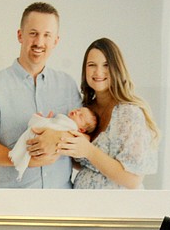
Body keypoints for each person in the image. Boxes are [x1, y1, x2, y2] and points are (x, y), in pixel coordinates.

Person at [0, 2, 81, 188]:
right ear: (20, 35)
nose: (39, 42)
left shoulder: (68, 85)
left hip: (62, 202)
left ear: (56, 41)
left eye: (47, 35)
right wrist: (26, 160)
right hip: (15, 205)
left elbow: (83, 137)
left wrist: (57, 138)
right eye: (33, 33)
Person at [59, 37, 159, 189]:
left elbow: (132, 180)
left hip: (118, 208)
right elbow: (86, 164)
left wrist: (89, 151)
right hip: (84, 206)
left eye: (106, 65)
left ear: (116, 68)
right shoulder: (85, 111)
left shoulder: (129, 114)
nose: (98, 72)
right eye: (92, 65)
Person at [8, 107, 97, 180]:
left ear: (81, 130)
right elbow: (53, 124)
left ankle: (21, 158)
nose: (77, 112)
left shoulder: (72, 128)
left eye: (80, 116)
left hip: (48, 153)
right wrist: (44, 121)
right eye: (78, 110)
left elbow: (83, 139)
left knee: (33, 147)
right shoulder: (64, 120)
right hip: (39, 135)